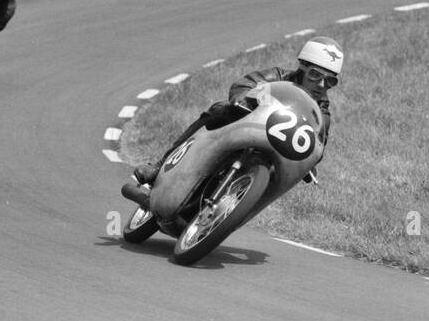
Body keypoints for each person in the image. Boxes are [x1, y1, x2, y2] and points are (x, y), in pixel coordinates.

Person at [122, 36, 344, 206]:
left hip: (274, 152)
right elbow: (246, 84)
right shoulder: (279, 76)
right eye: (315, 75)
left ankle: (233, 209)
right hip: (247, 127)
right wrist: (243, 100)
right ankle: (160, 166)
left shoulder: (321, 112)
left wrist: (309, 161)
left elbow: (319, 144)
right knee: (220, 109)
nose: (322, 84)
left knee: (275, 179)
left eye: (330, 80)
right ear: (302, 68)